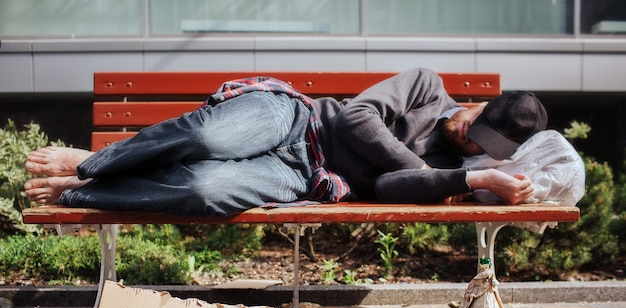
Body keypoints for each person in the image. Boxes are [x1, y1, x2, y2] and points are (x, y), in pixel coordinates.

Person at [24, 67, 547, 217]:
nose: (468, 143)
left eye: (480, 148)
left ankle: (80, 188)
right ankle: (93, 161)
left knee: (206, 191)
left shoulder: (462, 163)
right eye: (471, 130)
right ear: (477, 107)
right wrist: (426, 172)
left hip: (306, 178)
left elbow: (388, 186)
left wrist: (467, 177)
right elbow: (356, 119)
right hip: (296, 121)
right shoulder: (426, 87)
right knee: (210, 135)